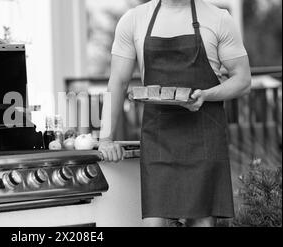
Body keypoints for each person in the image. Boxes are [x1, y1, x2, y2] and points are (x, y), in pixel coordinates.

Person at [98, 0, 251, 227]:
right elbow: (118, 82)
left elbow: (243, 80)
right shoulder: (134, 20)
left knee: (202, 224)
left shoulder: (218, 19)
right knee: (153, 224)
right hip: (159, 140)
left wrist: (206, 95)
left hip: (204, 137)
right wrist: (106, 138)